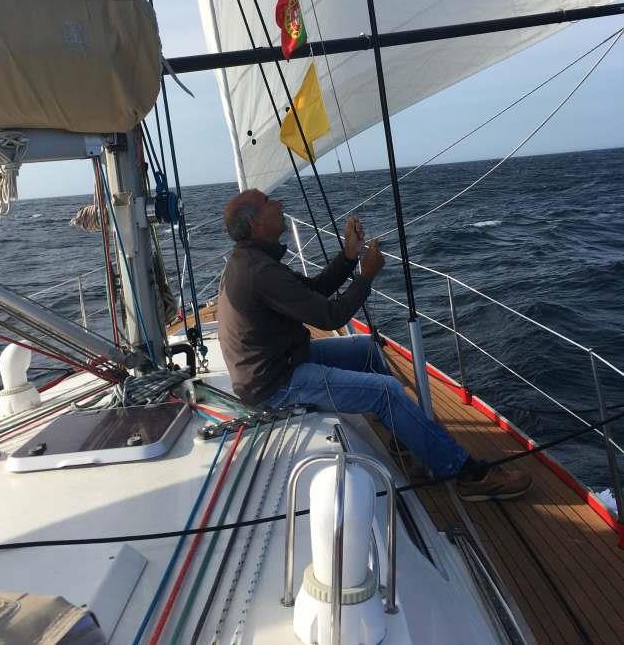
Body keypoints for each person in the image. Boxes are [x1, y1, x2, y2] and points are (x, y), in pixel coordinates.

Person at [218, 189, 532, 502]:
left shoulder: (255, 260)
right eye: (268, 202)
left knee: (366, 349)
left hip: (283, 361)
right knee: (386, 390)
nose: (278, 204)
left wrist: (349, 256)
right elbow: (330, 317)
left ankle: (406, 435)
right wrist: (365, 276)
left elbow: (315, 290)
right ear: (256, 222)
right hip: (276, 385)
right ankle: (467, 476)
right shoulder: (259, 270)